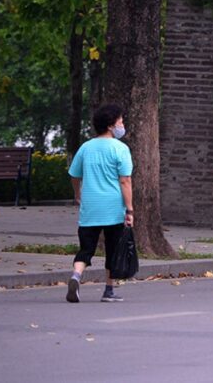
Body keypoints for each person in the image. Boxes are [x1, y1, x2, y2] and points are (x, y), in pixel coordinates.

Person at [66, 104, 134, 303]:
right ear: (111, 126)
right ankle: (109, 291)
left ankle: (76, 276)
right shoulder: (121, 149)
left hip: (90, 207)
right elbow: (125, 180)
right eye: (120, 122)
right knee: (112, 250)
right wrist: (129, 209)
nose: (123, 125)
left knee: (86, 249)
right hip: (113, 208)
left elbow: (74, 175)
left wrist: (78, 194)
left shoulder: (86, 148)